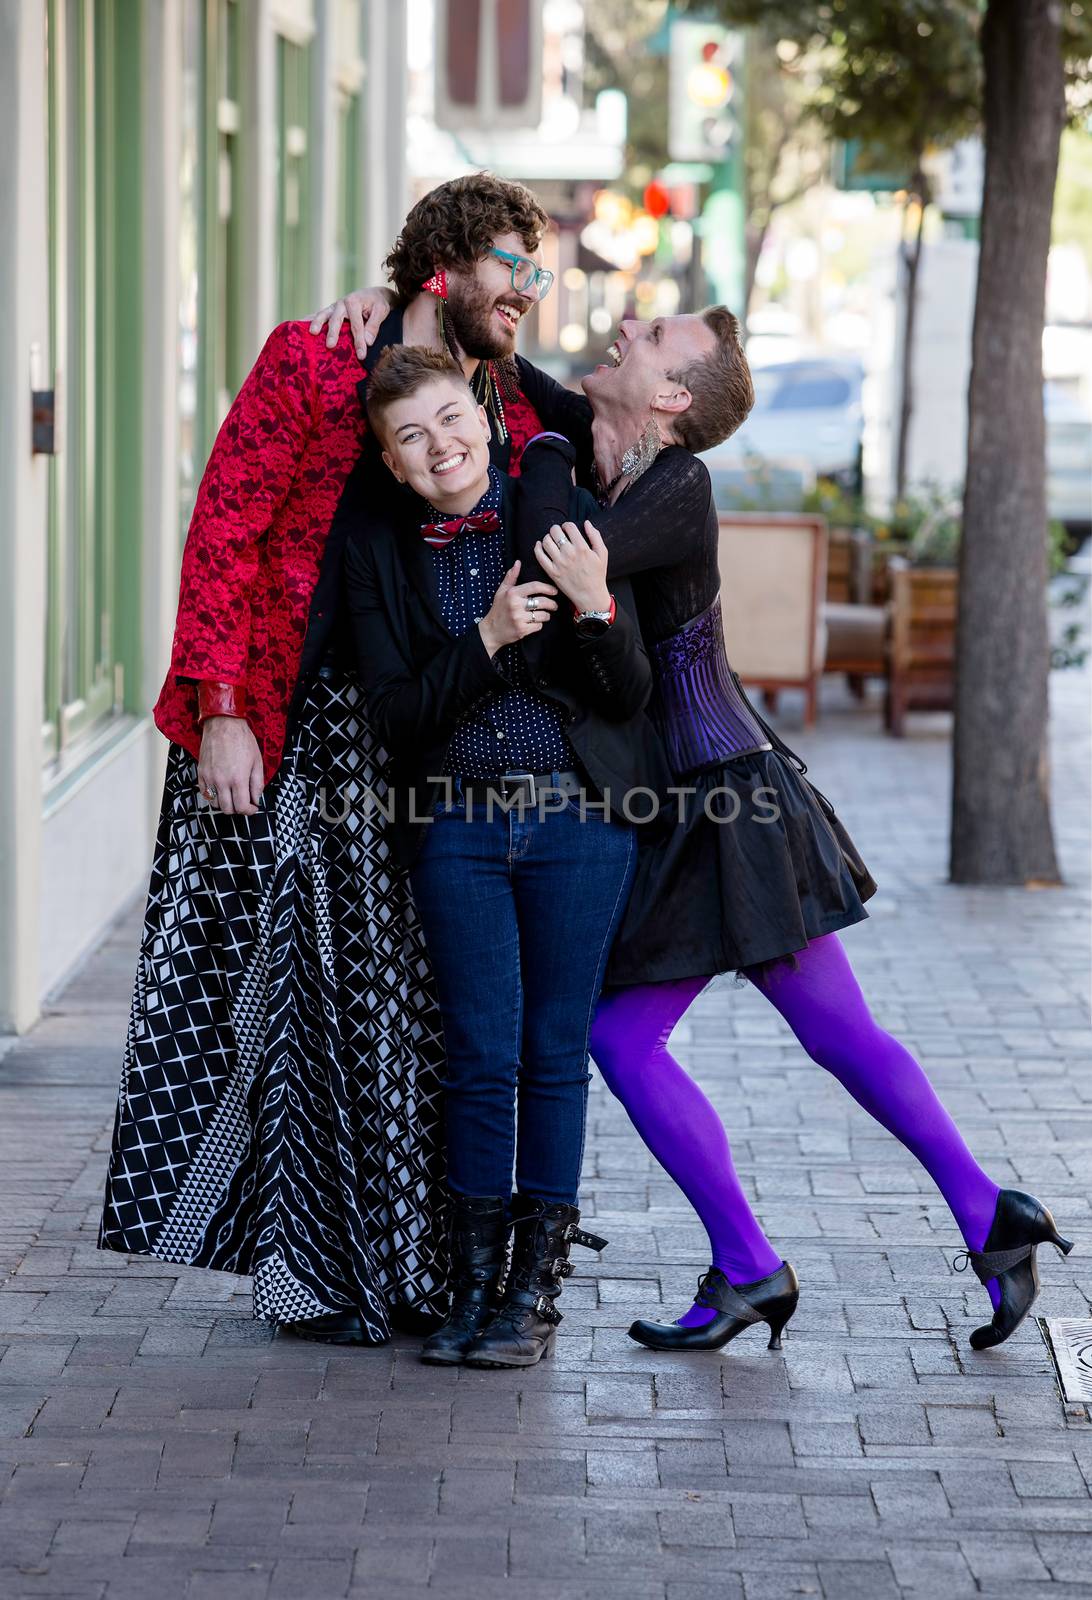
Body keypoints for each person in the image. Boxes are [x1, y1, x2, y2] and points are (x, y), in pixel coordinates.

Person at [333, 285, 1074, 1354]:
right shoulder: (614, 455)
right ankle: (777, 1257)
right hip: (677, 801)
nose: (629, 322)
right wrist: (420, 292)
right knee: (640, 1038)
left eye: (655, 334)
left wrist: (542, 456)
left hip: (732, 800)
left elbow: (553, 539)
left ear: (672, 392)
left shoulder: (676, 485)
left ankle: (908, 1225)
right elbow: (498, 364)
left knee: (811, 1034)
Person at [99, 173, 608, 1347]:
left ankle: (425, 1264)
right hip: (291, 717)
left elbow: (596, 441)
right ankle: (320, 1274)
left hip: (425, 721)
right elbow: (225, 526)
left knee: (412, 1004)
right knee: (297, 999)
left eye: (537, 271)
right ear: (445, 263)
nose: (529, 290)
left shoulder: (498, 389)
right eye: (510, 267)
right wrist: (223, 705)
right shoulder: (310, 358)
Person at [343, 344, 669, 1368]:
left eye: (447, 419)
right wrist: (483, 640)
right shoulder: (382, 549)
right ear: (393, 463)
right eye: (409, 437)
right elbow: (396, 717)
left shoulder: (555, 512)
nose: (437, 445)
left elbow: (628, 693)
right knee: (481, 1056)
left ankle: (530, 1293)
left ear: (482, 418)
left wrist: (595, 604)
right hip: (459, 828)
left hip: (578, 822)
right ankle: (472, 1285)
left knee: (551, 1052)